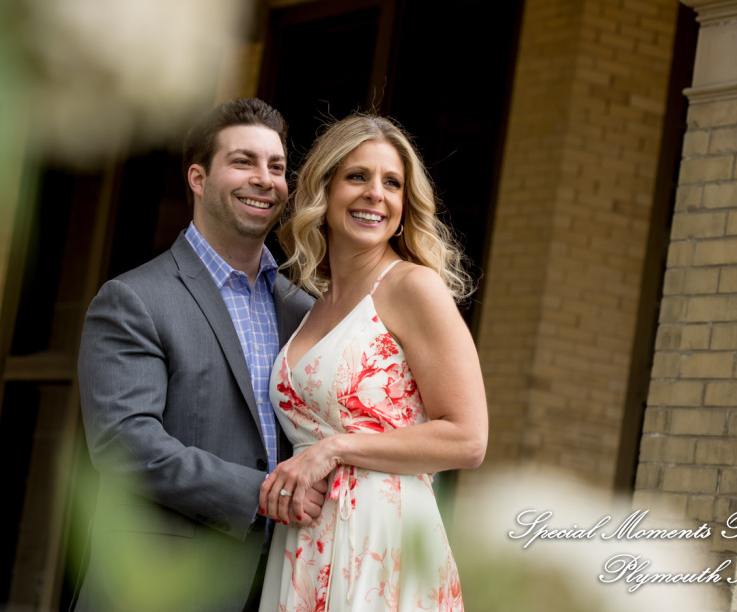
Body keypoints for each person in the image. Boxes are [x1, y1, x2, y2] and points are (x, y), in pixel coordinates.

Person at [75, 98, 323, 612]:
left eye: (276, 167)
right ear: (197, 178)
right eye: (243, 161)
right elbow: (126, 444)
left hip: (282, 584)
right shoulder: (134, 299)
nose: (265, 179)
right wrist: (261, 494)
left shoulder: (306, 311)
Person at [257, 114, 489, 611]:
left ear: (405, 206)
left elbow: (468, 439)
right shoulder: (312, 304)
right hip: (305, 540)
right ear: (325, 189)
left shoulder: (412, 287)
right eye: (357, 176)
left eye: (392, 183)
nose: (375, 194)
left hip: (383, 539)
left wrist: (333, 449)